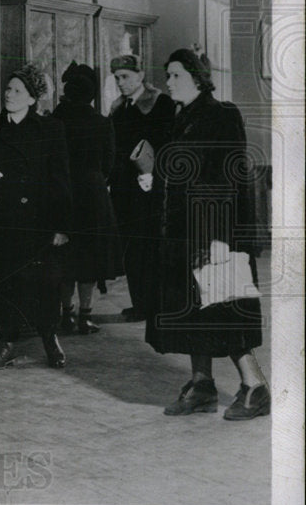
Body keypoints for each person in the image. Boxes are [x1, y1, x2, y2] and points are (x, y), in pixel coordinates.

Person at [146, 48, 269, 420]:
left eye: (176, 76)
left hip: (213, 233)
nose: (168, 83)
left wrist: (219, 239)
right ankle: (202, 385)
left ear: (198, 78)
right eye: (167, 76)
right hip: (182, 234)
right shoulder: (179, 117)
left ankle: (256, 386)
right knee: (191, 311)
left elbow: (230, 179)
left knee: (223, 309)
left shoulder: (221, 115)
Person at [0, 63, 72, 370]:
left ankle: (50, 341)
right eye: (8, 89)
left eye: (17, 91)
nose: (9, 95)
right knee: (3, 283)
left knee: (44, 284)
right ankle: (7, 345)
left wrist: (61, 226)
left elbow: (61, 180)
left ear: (33, 98)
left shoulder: (50, 129)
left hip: (37, 220)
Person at [52, 62, 123, 335]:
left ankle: (65, 314)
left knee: (65, 257)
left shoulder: (56, 121)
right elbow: (109, 163)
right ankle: (85, 316)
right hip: (93, 196)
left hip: (63, 193)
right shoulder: (102, 123)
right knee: (89, 261)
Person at [107, 54, 175, 322]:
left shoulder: (161, 103)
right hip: (124, 189)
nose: (120, 82)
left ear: (140, 75)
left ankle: (157, 304)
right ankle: (140, 304)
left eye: (125, 77)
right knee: (132, 248)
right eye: (117, 78)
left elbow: (169, 145)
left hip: (150, 186)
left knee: (151, 246)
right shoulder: (118, 107)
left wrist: (156, 176)